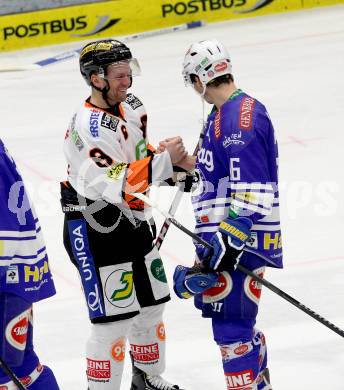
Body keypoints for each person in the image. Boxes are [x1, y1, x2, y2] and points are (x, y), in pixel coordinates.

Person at [61, 39, 193, 390]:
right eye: (120, 76)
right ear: (96, 79)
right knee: (113, 321)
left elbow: (136, 154)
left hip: (134, 218)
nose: (128, 82)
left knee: (152, 305)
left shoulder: (131, 105)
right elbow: (116, 183)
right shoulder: (89, 127)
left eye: (128, 73)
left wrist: (171, 169)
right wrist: (165, 162)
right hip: (95, 225)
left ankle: (147, 378)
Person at [173, 39, 283, 390]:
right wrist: (181, 163)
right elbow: (217, 173)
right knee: (235, 326)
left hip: (238, 244)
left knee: (231, 329)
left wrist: (228, 237)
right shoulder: (222, 115)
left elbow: (251, 187)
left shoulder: (238, 118)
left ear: (200, 78)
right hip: (224, 240)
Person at [0, 138, 60, 389]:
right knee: (23, 365)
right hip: (18, 270)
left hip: (8, 273)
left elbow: (7, 224)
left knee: (9, 370)